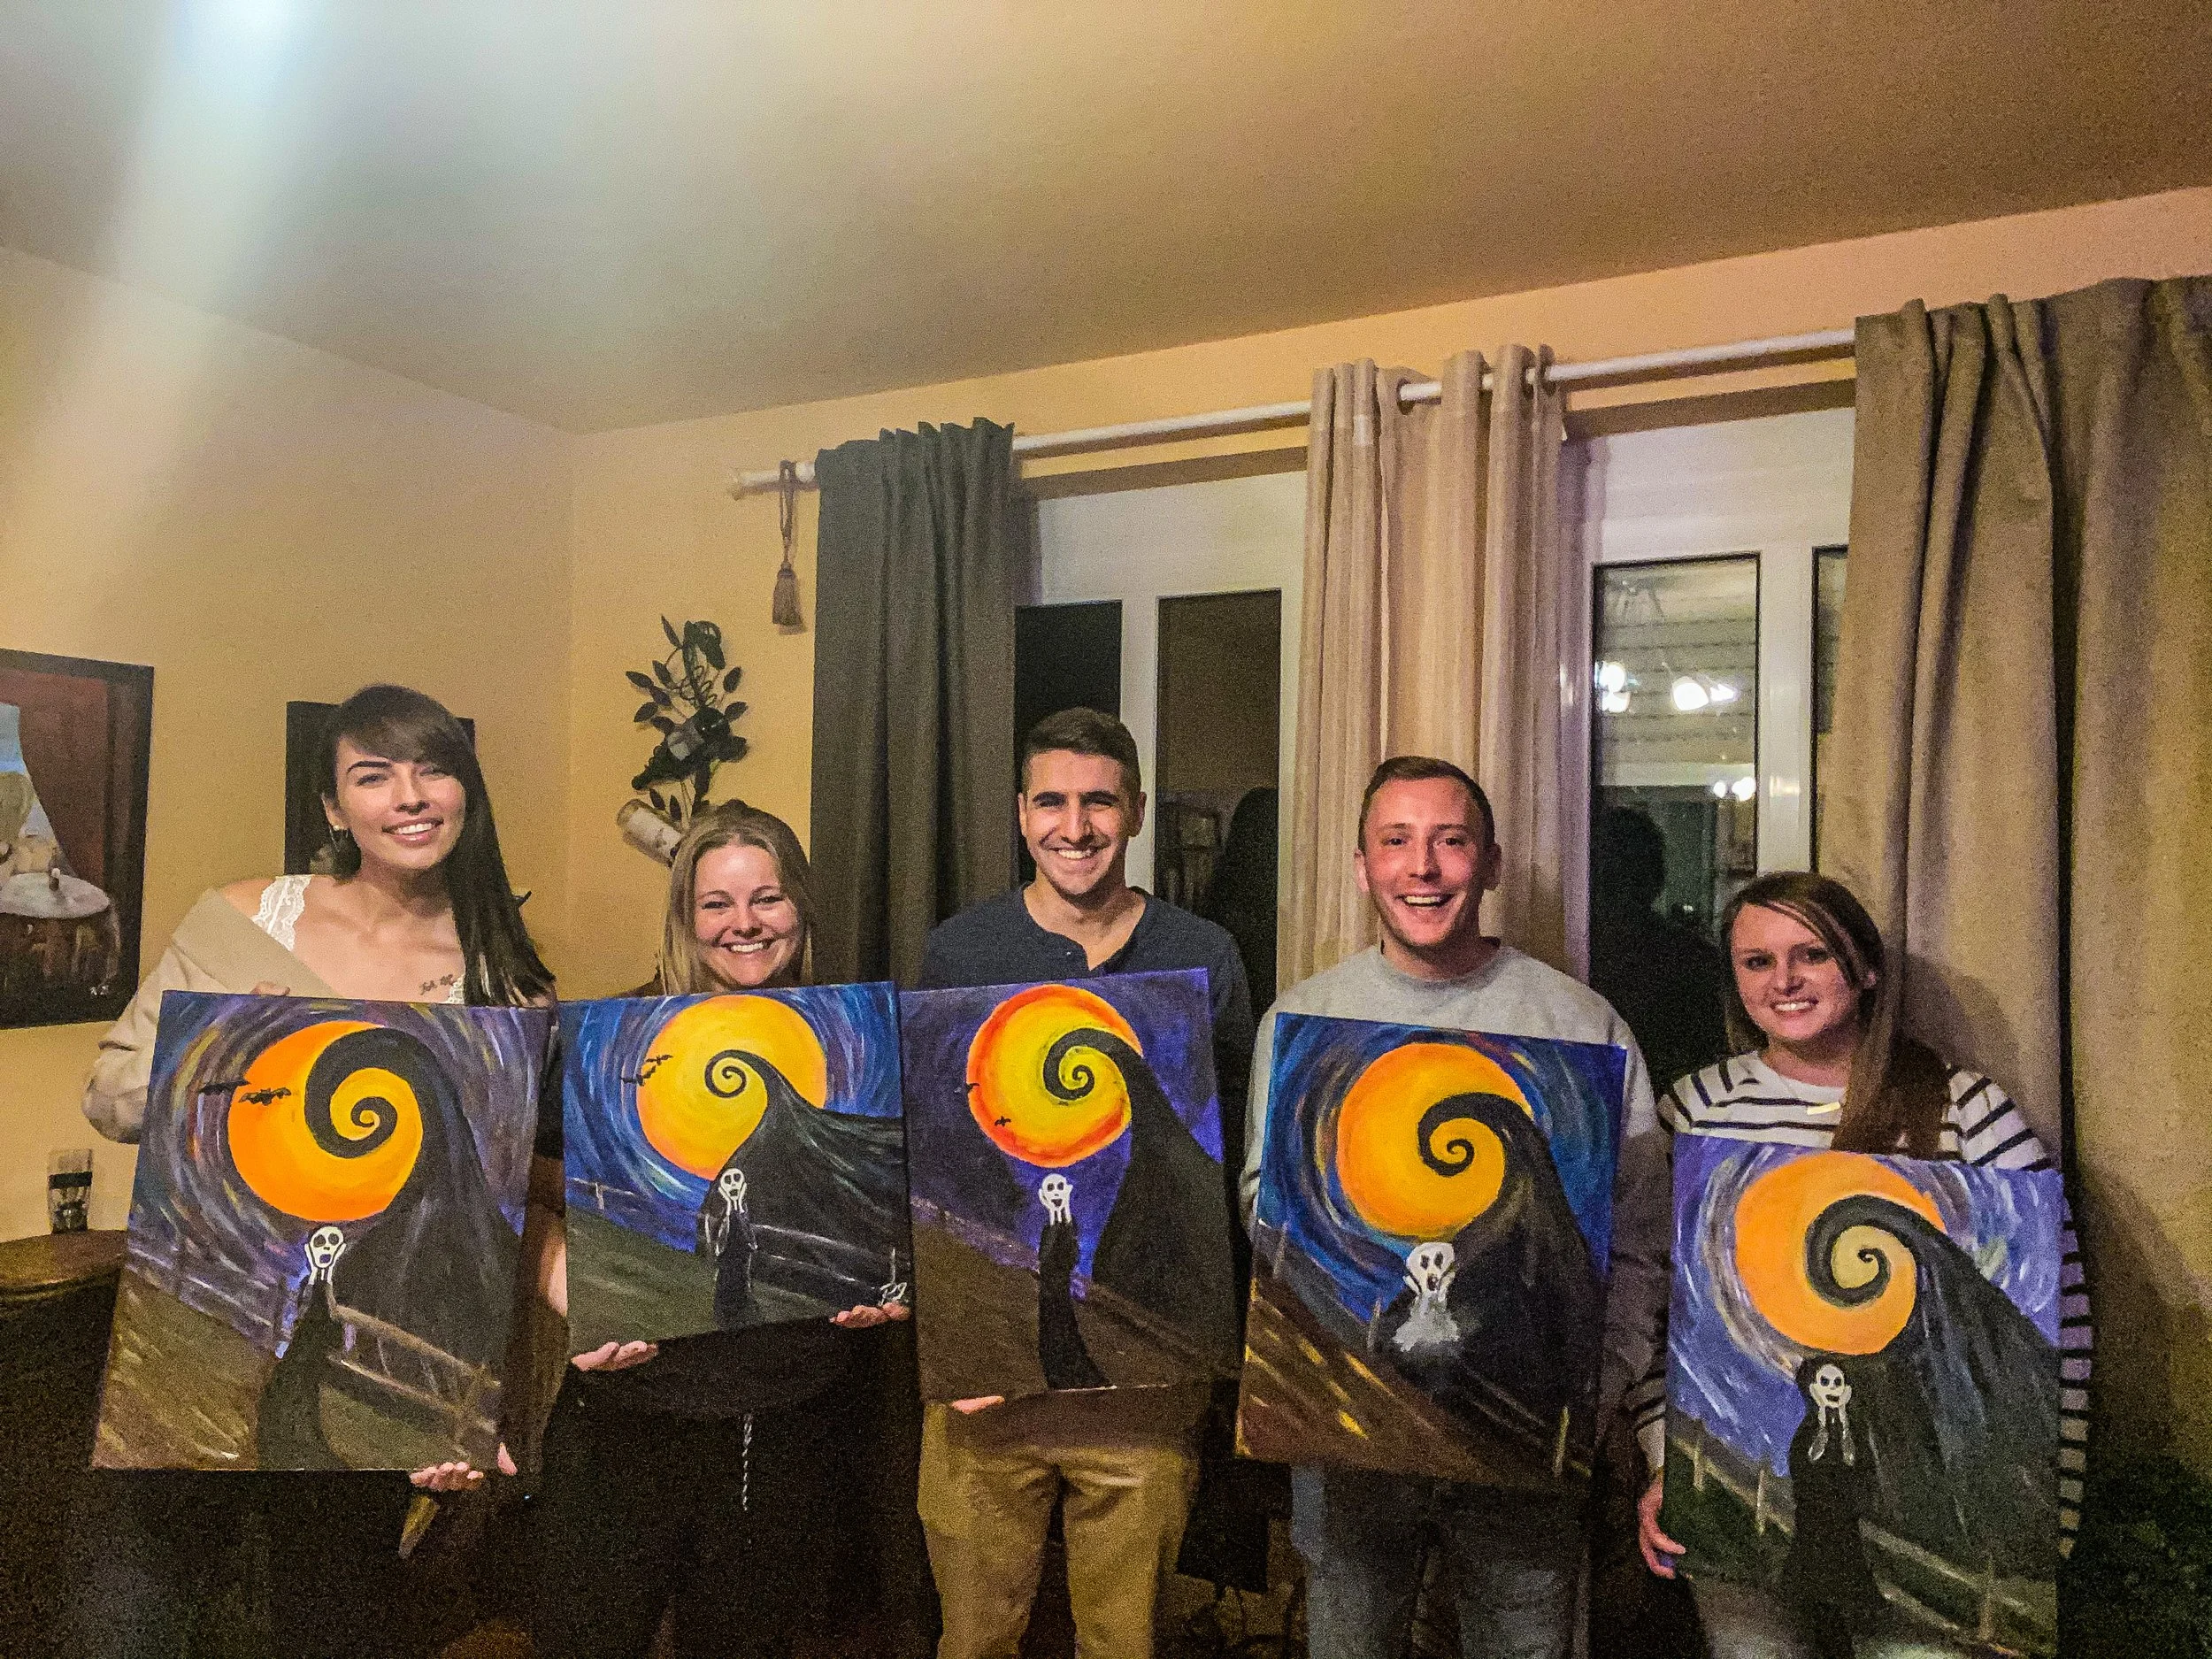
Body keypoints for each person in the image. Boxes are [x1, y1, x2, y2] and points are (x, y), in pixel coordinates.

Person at [72, 683, 557, 1659]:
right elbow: (112, 1098)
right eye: (373, 776)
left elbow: (479, 1210)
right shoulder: (247, 917)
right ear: (336, 810)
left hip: (362, 1365)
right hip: (197, 1328)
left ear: (466, 791)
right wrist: (222, 1062)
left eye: (434, 769)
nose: (410, 796)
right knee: (123, 1621)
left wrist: (459, 1397)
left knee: (330, 1623)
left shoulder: (504, 985)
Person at [1237, 754, 1668, 1659]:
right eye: (1395, 842)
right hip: (1351, 1439)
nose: (1421, 868)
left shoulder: (1580, 1027)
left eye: (1449, 841)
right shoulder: (1301, 1021)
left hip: (1527, 1442)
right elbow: (1264, 1210)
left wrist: (1603, 1384)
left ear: (1492, 863)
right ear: (1362, 866)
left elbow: (1634, 1240)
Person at [1631, 871, 2093, 1659]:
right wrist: (1662, 1457)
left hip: (1935, 1510)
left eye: (1811, 954)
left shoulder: (1969, 1109)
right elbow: (1646, 1299)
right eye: (1756, 961)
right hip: (1743, 1523)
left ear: (1866, 968)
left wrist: (2051, 1500)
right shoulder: (1692, 1110)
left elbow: (2062, 1322)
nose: (1783, 981)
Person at [531, 801, 915, 1659]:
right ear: (685, 916)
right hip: (623, 1419)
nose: (744, 924)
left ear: (801, 907)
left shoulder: (859, 1050)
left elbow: (901, 1201)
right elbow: (520, 1190)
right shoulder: (612, 1042)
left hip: (787, 1422)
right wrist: (569, 1293)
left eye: (767, 899)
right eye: (717, 904)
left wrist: (893, 1283)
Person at [916, 706, 1254, 1659]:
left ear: (1136, 811)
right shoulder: (959, 954)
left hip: (1141, 1386)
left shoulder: (1204, 953)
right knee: (975, 1636)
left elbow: (1220, 1160)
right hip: (989, 1391)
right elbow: (939, 1169)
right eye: (1053, 802)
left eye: (1099, 801)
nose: (1076, 826)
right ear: (1021, 816)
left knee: (1126, 1638)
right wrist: (959, 1350)